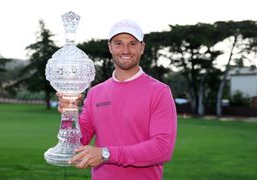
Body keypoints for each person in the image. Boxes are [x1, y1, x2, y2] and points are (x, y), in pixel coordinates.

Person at [57, 19, 177, 180]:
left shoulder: (159, 92)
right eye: (119, 43)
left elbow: (162, 148)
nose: (125, 50)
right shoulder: (96, 93)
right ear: (110, 47)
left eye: (132, 43)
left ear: (142, 48)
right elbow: (77, 142)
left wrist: (107, 154)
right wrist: (69, 114)